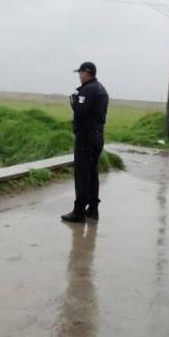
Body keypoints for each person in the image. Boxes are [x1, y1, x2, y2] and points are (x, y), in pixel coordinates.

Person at [62, 61, 109, 223]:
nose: (79, 76)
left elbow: (81, 112)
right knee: (92, 173)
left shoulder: (87, 90)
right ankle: (93, 209)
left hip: (86, 137)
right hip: (98, 136)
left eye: (80, 73)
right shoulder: (102, 89)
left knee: (82, 174)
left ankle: (79, 211)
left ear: (87, 73)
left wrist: (75, 102)